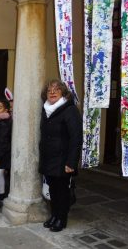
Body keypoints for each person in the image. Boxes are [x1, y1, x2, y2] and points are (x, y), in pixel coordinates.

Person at [39, 80, 82, 232]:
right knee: (53, 190)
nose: (52, 92)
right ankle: (54, 215)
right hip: (49, 158)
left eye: (56, 90)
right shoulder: (46, 109)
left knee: (62, 191)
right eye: (50, 90)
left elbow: (76, 137)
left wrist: (71, 162)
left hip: (63, 159)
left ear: (63, 93)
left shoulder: (70, 110)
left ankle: (61, 219)